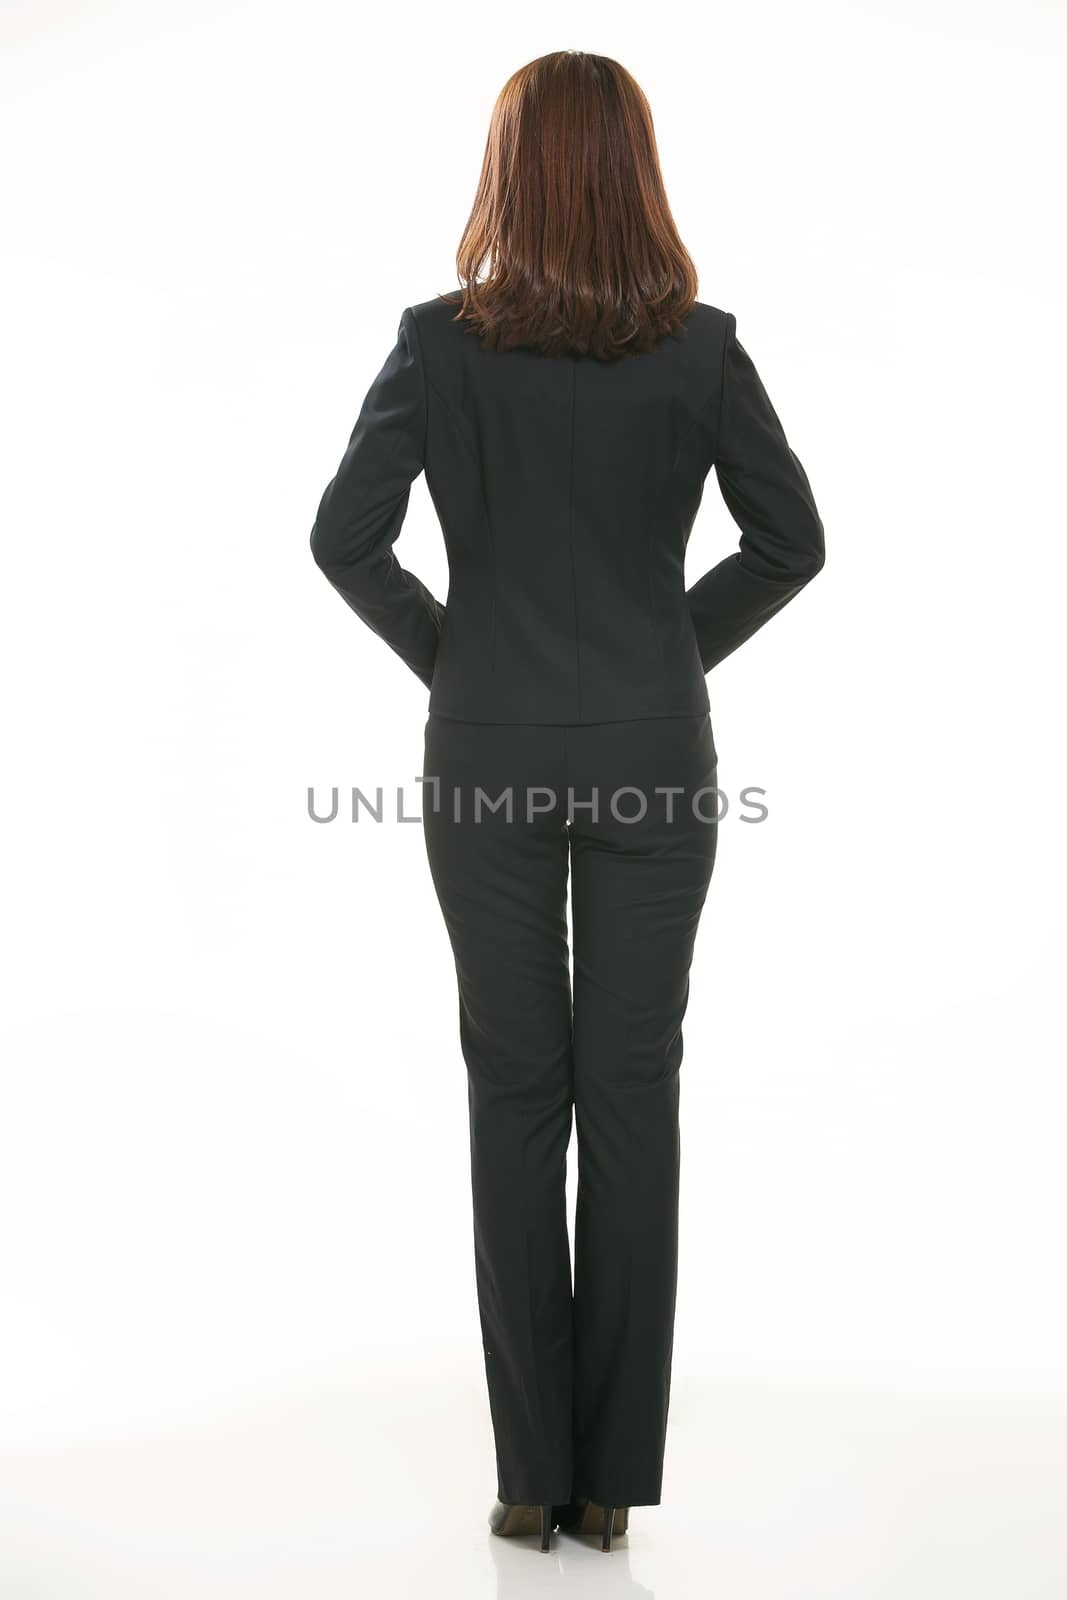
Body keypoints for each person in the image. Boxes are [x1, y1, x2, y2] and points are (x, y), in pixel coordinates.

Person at [309, 49, 825, 1554]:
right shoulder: (703, 352)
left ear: (509, 171)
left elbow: (346, 539)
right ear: (637, 174)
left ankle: (529, 1475)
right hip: (659, 759)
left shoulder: (438, 347)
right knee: (637, 1092)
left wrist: (458, 658)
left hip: (486, 758)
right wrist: (667, 651)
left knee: (517, 1095)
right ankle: (611, 1488)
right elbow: (790, 544)